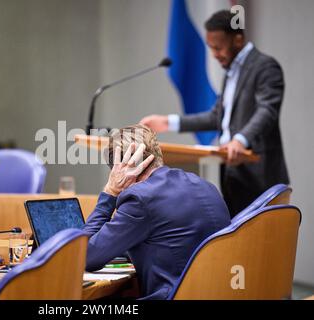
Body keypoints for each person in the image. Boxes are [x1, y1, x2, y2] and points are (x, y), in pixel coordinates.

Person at [140, 10, 289, 216]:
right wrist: (168, 122)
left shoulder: (265, 67)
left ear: (237, 40)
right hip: (233, 174)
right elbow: (216, 118)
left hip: (260, 177)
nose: (214, 54)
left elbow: (267, 111)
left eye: (218, 48)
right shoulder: (231, 73)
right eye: (211, 48)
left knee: (263, 245)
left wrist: (240, 140)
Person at [84, 124, 230, 300]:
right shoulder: (206, 186)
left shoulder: (140, 198)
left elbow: (85, 257)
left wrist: (110, 191)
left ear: (120, 168)